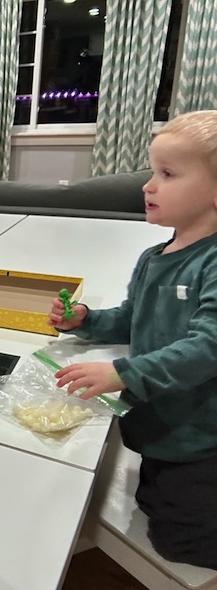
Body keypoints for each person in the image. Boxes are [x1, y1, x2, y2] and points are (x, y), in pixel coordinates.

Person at [48, 110, 217, 570]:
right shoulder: (154, 256)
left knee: (179, 546)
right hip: (161, 423)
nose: (148, 186)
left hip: (201, 435)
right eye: (151, 172)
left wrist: (125, 373)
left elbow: (209, 347)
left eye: (167, 174)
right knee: (152, 503)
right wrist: (85, 320)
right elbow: (131, 318)